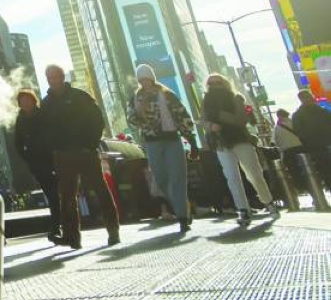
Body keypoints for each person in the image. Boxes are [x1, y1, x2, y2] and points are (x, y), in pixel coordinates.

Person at [38, 64, 121, 249]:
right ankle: (72, 237)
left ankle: (113, 230)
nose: (52, 80)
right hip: (62, 156)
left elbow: (98, 120)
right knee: (67, 197)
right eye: (49, 77)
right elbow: (42, 130)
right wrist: (53, 149)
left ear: (61, 76)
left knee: (101, 190)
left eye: (55, 76)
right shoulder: (46, 104)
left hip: (86, 153)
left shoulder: (80, 96)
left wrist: (89, 145)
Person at [126, 64, 199, 233]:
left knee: (178, 178)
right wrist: (141, 113)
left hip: (172, 139)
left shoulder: (167, 94)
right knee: (160, 179)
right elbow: (131, 119)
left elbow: (182, 116)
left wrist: (192, 140)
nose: (145, 82)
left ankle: (182, 216)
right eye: (142, 79)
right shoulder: (135, 97)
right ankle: (182, 207)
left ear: (152, 78)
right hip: (152, 142)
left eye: (147, 78)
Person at [200, 73, 277, 227]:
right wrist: (210, 126)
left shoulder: (236, 98)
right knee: (232, 177)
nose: (215, 85)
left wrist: (218, 115)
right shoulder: (206, 102)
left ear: (225, 83)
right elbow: (203, 121)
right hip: (220, 142)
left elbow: (241, 120)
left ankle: (268, 202)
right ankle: (243, 209)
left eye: (218, 82)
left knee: (254, 173)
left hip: (240, 138)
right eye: (211, 83)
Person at [14, 88, 61, 243]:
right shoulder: (20, 120)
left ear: (34, 100)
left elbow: (54, 133)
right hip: (37, 164)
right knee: (51, 194)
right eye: (22, 101)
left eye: (28, 100)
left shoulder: (43, 114)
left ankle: (58, 225)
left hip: (53, 159)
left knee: (58, 194)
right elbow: (18, 143)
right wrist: (29, 158)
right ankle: (57, 225)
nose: (25, 103)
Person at [291, 90, 331, 188]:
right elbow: (300, 133)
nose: (310, 98)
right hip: (317, 148)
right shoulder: (298, 115)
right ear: (302, 99)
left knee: (326, 170)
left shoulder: (322, 110)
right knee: (326, 170)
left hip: (321, 146)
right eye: (307, 97)